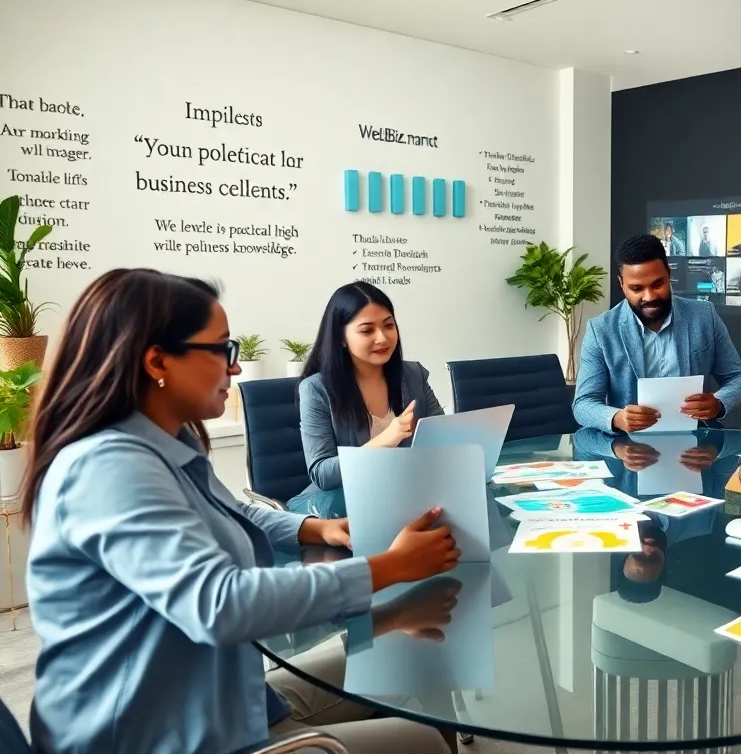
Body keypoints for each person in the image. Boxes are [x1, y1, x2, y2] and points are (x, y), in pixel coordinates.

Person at [22, 268, 462, 753]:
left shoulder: (166, 439)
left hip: (222, 693)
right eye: (223, 350)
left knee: (406, 648)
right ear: (156, 361)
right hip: (161, 733)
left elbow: (234, 512)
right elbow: (220, 603)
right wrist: (386, 568)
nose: (236, 368)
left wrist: (317, 529)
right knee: (422, 742)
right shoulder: (107, 468)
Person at [573, 234, 741, 433]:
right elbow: (583, 404)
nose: (649, 297)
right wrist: (615, 418)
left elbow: (737, 377)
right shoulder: (601, 330)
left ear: (669, 274)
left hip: (696, 442)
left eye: (657, 284)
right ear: (622, 284)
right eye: (636, 288)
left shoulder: (704, 316)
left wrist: (719, 402)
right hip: (629, 450)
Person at [297, 282, 445, 507]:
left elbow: (444, 438)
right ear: (341, 338)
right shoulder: (316, 389)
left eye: (388, 326)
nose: (383, 338)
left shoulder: (413, 375)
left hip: (405, 495)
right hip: (342, 506)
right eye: (367, 330)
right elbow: (322, 475)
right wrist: (386, 440)